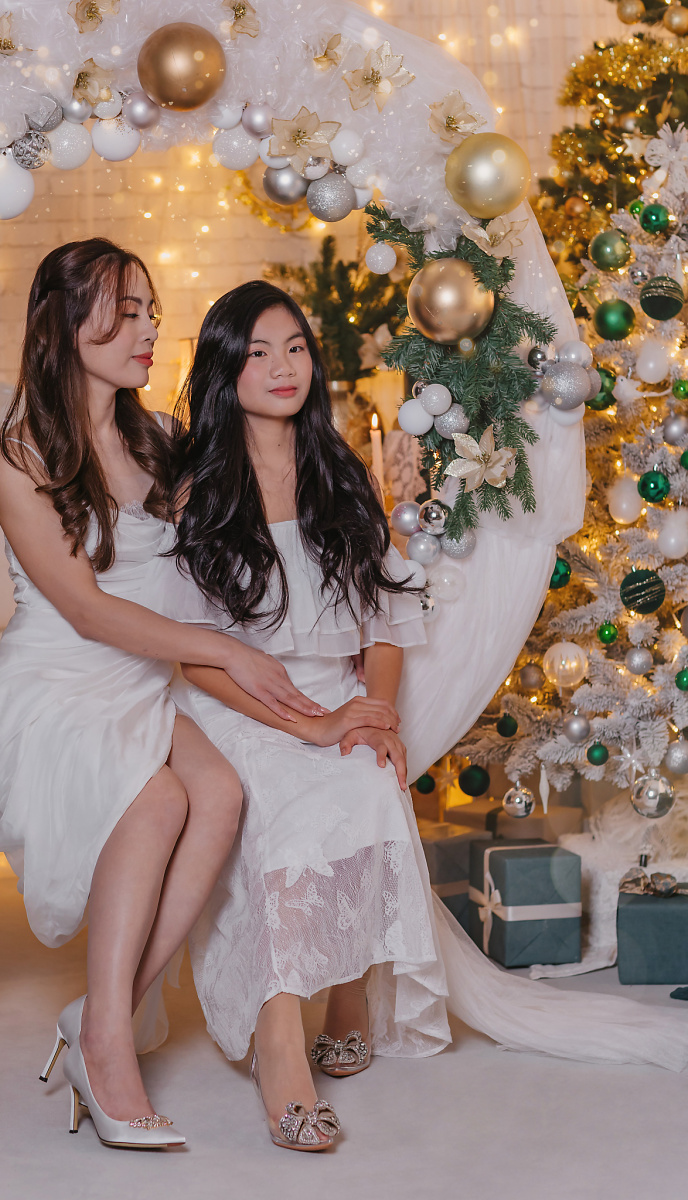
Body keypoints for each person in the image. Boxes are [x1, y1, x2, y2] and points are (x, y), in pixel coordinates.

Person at [163, 280, 688, 1152]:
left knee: (370, 784)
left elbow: (386, 618)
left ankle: (347, 992)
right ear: (224, 369)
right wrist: (306, 727)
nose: (283, 367)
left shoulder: (339, 472)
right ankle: (279, 1048)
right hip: (238, 708)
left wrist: (373, 712)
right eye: (257, 352)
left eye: (295, 347)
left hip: (337, 696)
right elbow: (191, 656)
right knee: (282, 822)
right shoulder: (198, 492)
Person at [0, 241, 330, 1151]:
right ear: (65, 321)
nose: (148, 330)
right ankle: (109, 1049)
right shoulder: (17, 459)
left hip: (147, 674)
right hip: (60, 682)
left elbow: (233, 527)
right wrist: (224, 653)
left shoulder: (158, 438)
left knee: (222, 794)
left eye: (151, 312)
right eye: (125, 312)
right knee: (161, 798)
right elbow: (87, 611)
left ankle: (104, 1018)